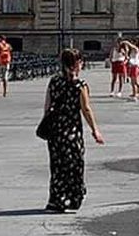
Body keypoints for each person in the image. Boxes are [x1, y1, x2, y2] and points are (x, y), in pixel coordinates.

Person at [40, 48, 104, 212]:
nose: (82, 64)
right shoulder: (80, 85)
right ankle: (73, 197)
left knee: (57, 166)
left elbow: (47, 106)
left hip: (55, 131)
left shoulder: (54, 81)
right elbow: (86, 109)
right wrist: (95, 130)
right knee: (75, 164)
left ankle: (56, 200)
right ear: (76, 64)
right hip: (71, 131)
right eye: (81, 62)